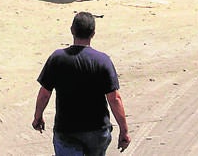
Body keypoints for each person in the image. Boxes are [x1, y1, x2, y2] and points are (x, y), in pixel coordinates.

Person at [33, 12, 130, 155]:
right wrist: (124, 130)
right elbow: (114, 99)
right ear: (93, 33)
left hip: (67, 131)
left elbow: (44, 94)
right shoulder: (103, 61)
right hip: (97, 132)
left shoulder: (57, 58)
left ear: (72, 30)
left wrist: (37, 117)